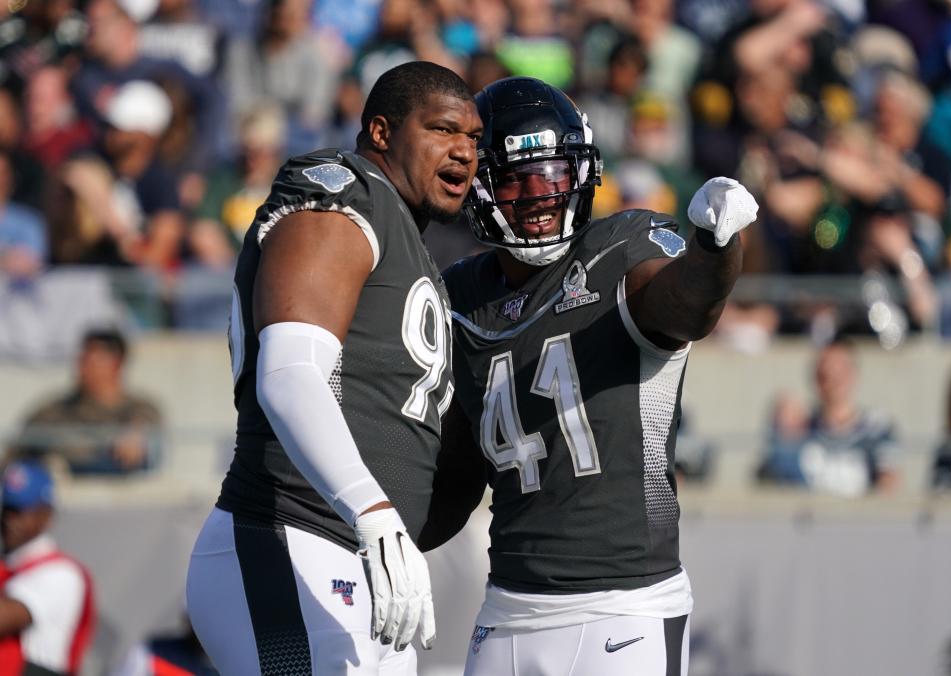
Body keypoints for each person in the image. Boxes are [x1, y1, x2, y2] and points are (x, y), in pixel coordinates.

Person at [423, 77, 758, 676]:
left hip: (623, 605)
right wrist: (380, 532)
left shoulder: (621, 248)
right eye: (516, 178)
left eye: (552, 173)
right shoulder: (460, 297)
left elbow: (686, 304)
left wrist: (716, 247)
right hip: (507, 607)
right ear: (480, 189)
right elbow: (452, 474)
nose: (539, 194)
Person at [185, 61, 482, 675]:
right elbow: (290, 373)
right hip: (291, 537)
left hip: (360, 555)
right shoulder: (342, 195)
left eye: (474, 139)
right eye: (444, 130)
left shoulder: (404, 235)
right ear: (381, 132)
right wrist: (373, 513)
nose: (464, 152)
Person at [756, 337, 901, 496]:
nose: (832, 381)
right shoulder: (802, 428)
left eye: (840, 373)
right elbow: (769, 481)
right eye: (825, 374)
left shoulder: (876, 427)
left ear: (854, 375)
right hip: (808, 517)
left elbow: (888, 481)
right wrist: (783, 438)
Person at [13, 328, 164, 475]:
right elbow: (15, 455)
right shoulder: (54, 411)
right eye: (82, 356)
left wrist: (136, 433)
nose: (82, 364)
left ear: (116, 363)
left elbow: (146, 422)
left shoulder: (140, 407)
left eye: (91, 356)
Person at [0, 461, 96, 676]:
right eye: (6, 509)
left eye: (19, 511)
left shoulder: (61, 573)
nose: (8, 520)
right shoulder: (9, 566)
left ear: (46, 514)